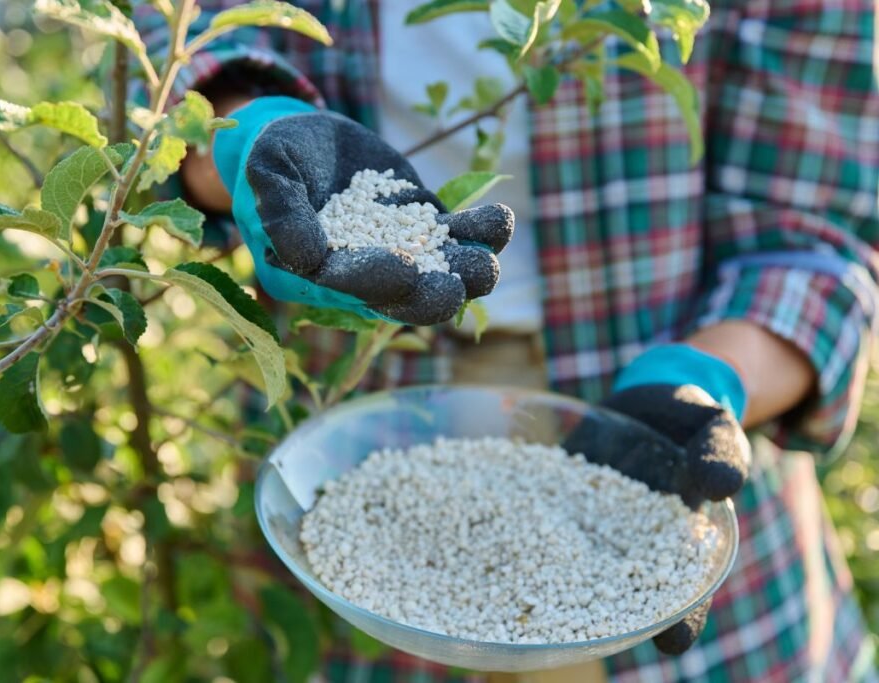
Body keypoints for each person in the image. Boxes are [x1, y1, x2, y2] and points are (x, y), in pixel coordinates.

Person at [138, 0, 879, 680]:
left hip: (652, 427)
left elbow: (814, 241)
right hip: (350, 433)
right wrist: (249, 142)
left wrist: (704, 376)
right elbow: (189, 50)